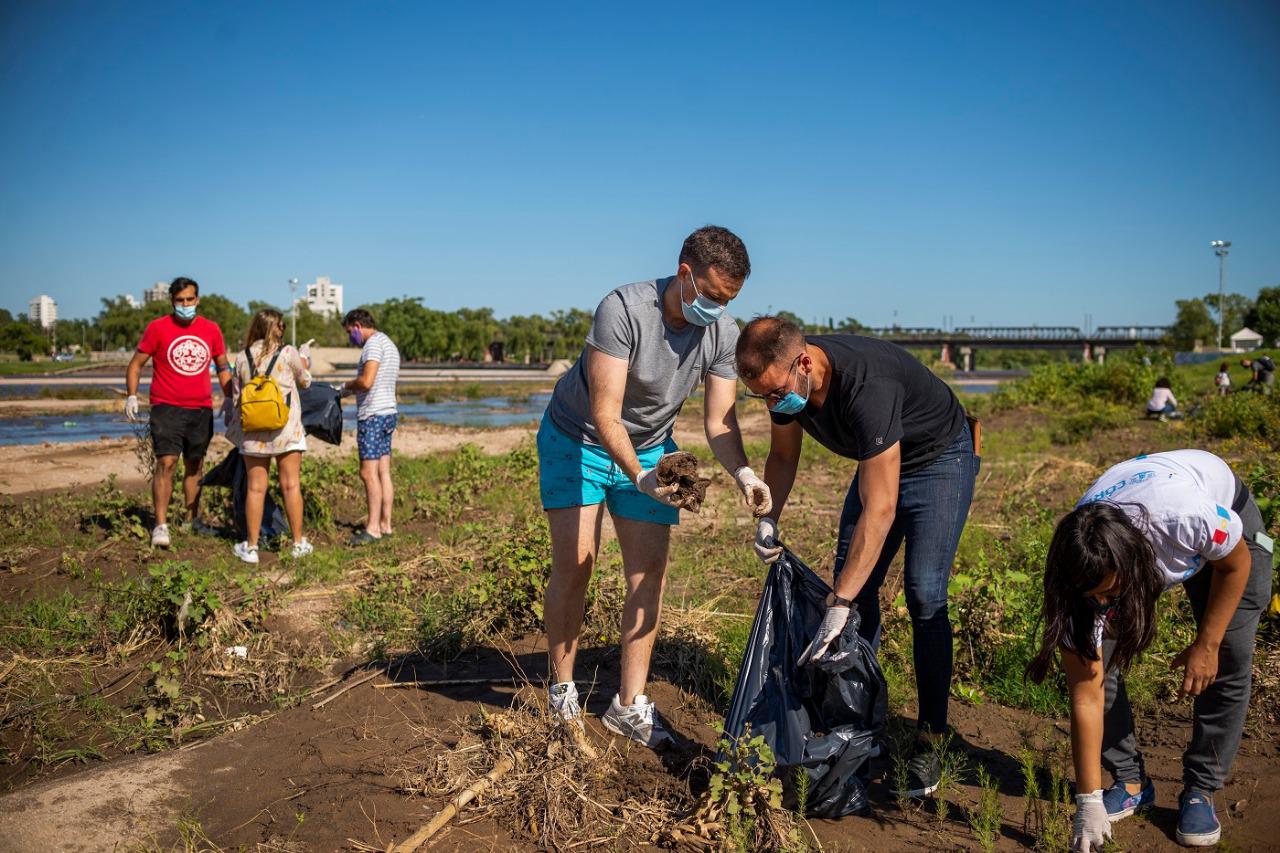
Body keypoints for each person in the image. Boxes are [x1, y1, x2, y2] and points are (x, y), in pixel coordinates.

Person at [540, 225, 770, 748]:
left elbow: (719, 422)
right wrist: (638, 478)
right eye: (712, 296)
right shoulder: (622, 309)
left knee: (650, 574)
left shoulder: (723, 332)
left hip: (649, 444)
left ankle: (629, 704)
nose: (718, 308)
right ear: (685, 274)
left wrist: (745, 475)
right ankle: (562, 691)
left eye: (729, 300)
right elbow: (605, 413)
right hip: (578, 438)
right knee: (577, 563)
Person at [735, 315, 979, 797]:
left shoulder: (868, 385)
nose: (771, 404)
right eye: (760, 396)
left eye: (774, 392)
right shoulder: (787, 385)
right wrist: (769, 517)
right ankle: (860, 726)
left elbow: (882, 507)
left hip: (938, 459)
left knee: (924, 593)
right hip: (880, 461)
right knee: (852, 585)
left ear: (804, 362)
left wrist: (841, 600)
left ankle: (931, 737)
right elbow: (783, 457)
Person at [1027, 449, 1272, 850]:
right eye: (1095, 599)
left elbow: (1235, 565)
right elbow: (1085, 696)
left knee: (1228, 655)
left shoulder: (1183, 519)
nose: (1105, 608)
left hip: (1229, 538)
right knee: (1098, 669)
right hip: (1140, 546)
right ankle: (1130, 781)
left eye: (1110, 594)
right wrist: (1087, 802)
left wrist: (1205, 644)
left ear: (1133, 565)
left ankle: (1201, 789)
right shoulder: (1078, 572)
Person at [125, 277, 233, 548]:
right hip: (166, 407)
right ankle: (160, 526)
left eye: (189, 299)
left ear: (197, 299)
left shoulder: (211, 329)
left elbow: (222, 366)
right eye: (180, 300)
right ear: (172, 302)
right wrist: (131, 395)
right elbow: (136, 364)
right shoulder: (158, 328)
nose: (185, 305)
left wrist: (230, 397)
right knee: (167, 463)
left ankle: (191, 519)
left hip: (201, 409)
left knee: (194, 465)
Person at [230, 309, 314, 564]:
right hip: (286, 431)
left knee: (255, 488)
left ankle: (252, 548)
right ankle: (298, 543)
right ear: (277, 329)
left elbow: (236, 398)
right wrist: (305, 359)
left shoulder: (241, 357)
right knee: (291, 485)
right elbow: (306, 381)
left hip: (254, 433)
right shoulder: (288, 353)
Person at [340, 309, 400, 545]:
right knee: (383, 471)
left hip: (373, 415)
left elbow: (366, 381)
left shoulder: (373, 345)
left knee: (367, 472)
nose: (350, 338)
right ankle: (386, 524)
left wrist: (346, 385)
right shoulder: (389, 343)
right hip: (388, 412)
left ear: (357, 325)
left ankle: (373, 528)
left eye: (349, 332)